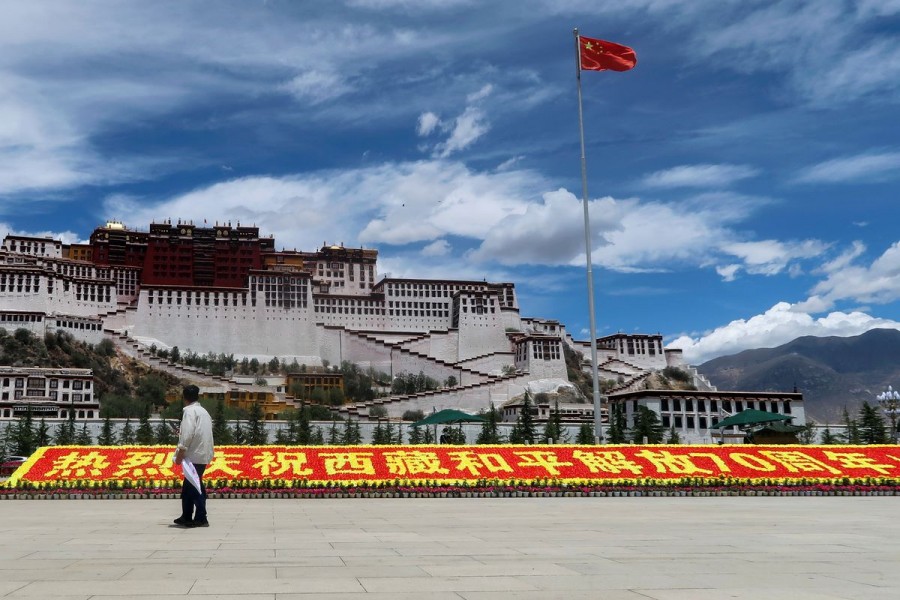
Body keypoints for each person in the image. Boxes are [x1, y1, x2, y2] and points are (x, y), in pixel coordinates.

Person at [173, 385, 214, 528]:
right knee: (189, 486)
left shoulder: (190, 412)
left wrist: (180, 453)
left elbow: (188, 434)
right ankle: (187, 515)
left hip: (193, 456)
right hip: (202, 454)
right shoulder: (203, 412)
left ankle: (201, 517)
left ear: (184, 398)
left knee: (194, 487)